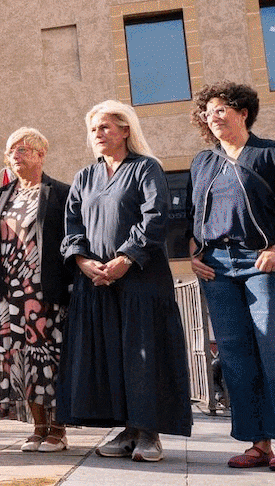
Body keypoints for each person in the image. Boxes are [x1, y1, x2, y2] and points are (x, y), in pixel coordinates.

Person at [187, 82, 275, 472]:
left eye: (222, 108)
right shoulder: (203, 162)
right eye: (209, 111)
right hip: (218, 268)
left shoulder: (273, 153)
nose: (214, 115)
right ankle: (257, 443)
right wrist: (194, 254)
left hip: (266, 261)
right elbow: (193, 217)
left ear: (244, 112)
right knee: (236, 357)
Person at [57, 100, 192, 462]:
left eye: (104, 127)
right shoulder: (85, 177)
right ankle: (128, 429)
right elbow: (71, 226)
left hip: (141, 280)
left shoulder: (146, 168)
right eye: (93, 130)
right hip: (97, 282)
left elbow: (156, 217)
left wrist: (126, 258)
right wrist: (84, 261)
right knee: (112, 356)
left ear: (125, 130)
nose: (97, 135)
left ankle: (149, 432)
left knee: (144, 354)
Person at [0, 128, 71, 452]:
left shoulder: (60, 192)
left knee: (48, 358)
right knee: (18, 358)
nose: (16, 156)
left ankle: (57, 430)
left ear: (40, 154)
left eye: (23, 150)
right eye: (11, 151)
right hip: (12, 294)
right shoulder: (1, 195)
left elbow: (68, 241)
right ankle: (38, 426)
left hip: (45, 291)